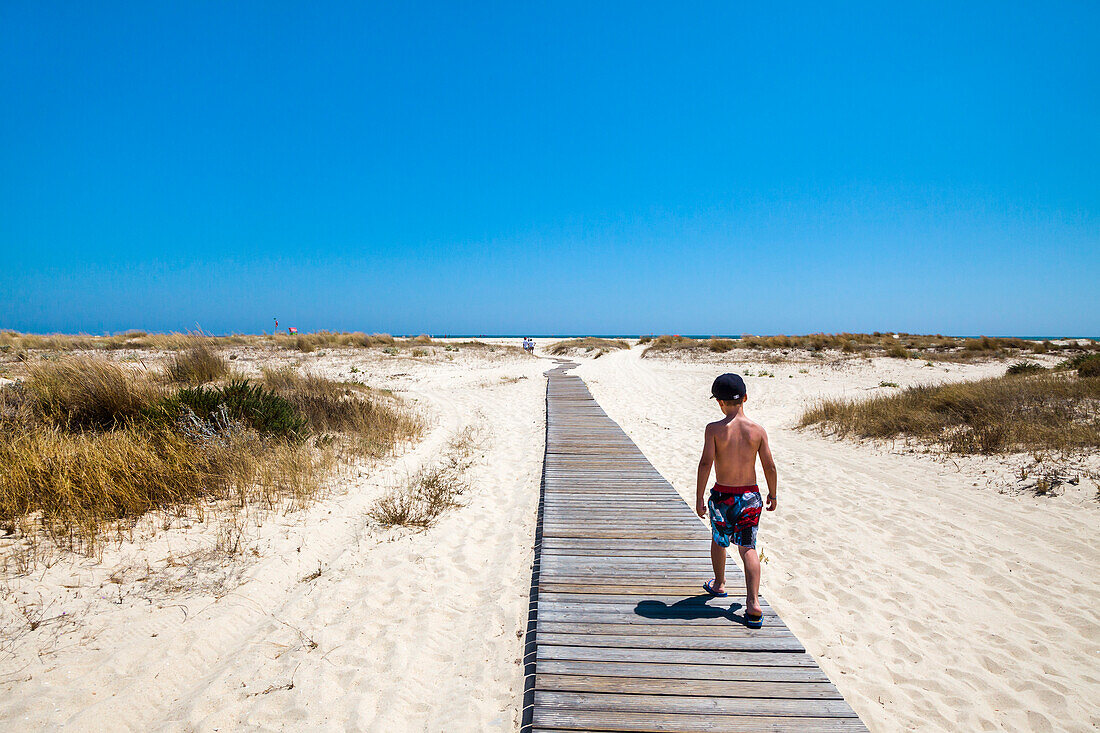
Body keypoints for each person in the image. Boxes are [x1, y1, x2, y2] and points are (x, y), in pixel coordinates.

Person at [695, 373, 777, 628]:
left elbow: (706, 462)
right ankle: (753, 603)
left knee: (719, 541)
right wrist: (772, 494)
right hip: (750, 497)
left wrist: (699, 496)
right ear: (745, 398)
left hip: (723, 497)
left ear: (719, 402)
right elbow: (769, 466)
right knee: (748, 548)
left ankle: (719, 584)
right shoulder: (757, 431)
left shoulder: (714, 430)